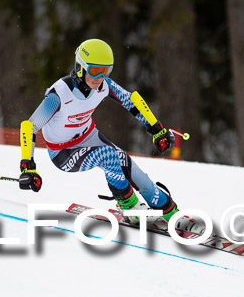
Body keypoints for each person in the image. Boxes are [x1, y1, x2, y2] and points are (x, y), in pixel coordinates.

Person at [17, 38, 179, 222]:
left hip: (90, 138)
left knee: (137, 175)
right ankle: (129, 205)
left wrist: (157, 129)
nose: (99, 78)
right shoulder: (60, 94)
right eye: (94, 71)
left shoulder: (104, 85)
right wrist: (27, 167)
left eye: (106, 71)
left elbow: (130, 100)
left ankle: (171, 212)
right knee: (108, 155)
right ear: (81, 67)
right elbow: (29, 126)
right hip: (63, 153)